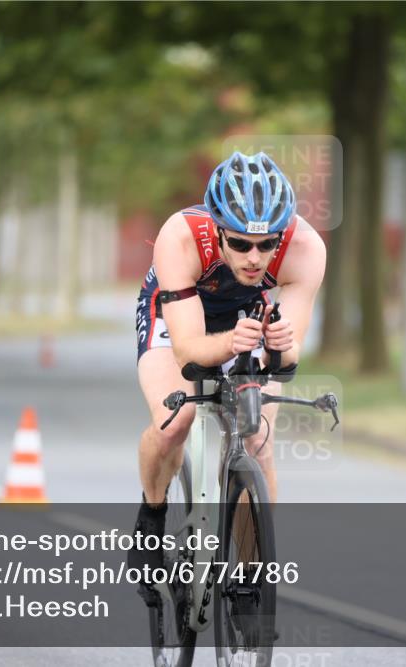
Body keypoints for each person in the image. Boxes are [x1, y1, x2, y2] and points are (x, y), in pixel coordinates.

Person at [129, 151, 327, 594]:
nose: (254, 258)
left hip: (247, 315)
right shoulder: (180, 237)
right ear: (218, 230)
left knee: (257, 438)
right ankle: (152, 515)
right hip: (178, 310)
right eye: (239, 243)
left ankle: (251, 575)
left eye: (266, 244)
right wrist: (229, 345)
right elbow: (189, 352)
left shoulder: (306, 248)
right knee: (173, 422)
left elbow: (288, 356)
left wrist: (277, 350)